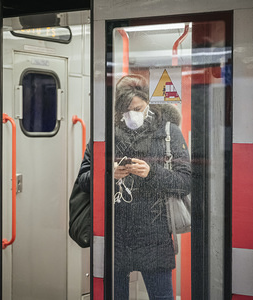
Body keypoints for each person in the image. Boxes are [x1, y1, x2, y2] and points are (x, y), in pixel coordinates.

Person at [77, 74, 191, 299]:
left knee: (161, 296)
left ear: (147, 103)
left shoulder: (168, 133)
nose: (132, 115)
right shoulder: (104, 134)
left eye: (138, 108)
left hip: (155, 234)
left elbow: (186, 182)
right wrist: (108, 174)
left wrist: (152, 173)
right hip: (114, 234)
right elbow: (83, 180)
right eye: (125, 110)